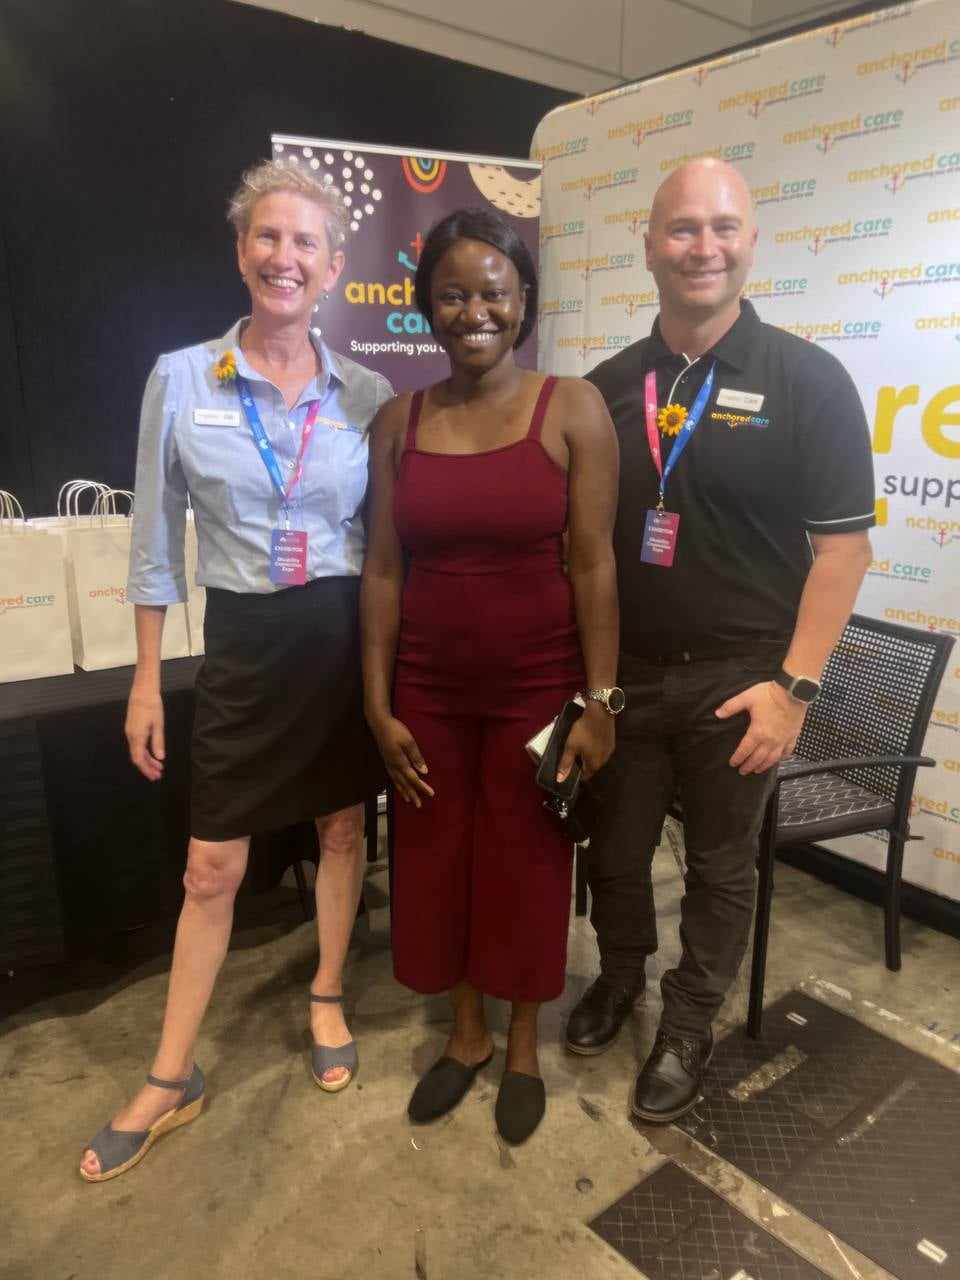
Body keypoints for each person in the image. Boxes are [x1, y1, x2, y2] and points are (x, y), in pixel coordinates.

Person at [79, 160, 392, 1182]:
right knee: (210, 866)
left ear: (333, 267)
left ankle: (327, 992)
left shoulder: (370, 394)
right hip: (244, 647)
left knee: (342, 830)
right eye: (268, 236)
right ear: (241, 251)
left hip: (342, 640)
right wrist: (143, 679)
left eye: (306, 242)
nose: (284, 257)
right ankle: (171, 1074)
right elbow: (153, 543)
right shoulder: (180, 378)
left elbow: (388, 544)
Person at [565, 158, 874, 1123]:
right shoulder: (605, 390)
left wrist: (794, 691)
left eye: (724, 227)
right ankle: (622, 977)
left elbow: (844, 553)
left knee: (719, 869)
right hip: (625, 680)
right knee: (613, 856)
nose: (704, 247)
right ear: (648, 246)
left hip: (743, 685)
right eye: (683, 228)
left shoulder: (809, 381)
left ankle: (689, 1023)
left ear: (751, 243)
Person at [361, 208, 620, 1144]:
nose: (474, 312)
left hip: (538, 693)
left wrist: (601, 701)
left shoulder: (574, 409)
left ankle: (519, 1046)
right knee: (439, 862)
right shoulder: (399, 422)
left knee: (527, 865)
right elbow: (382, 569)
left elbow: (594, 563)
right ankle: (464, 1033)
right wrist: (377, 704)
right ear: (426, 308)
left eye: (494, 294)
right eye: (452, 295)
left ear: (524, 302)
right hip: (427, 693)